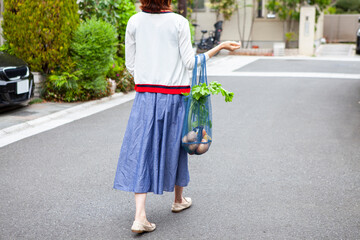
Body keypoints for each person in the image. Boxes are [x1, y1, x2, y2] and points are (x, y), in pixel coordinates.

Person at [113, 0, 241, 233]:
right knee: (178, 145)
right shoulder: (179, 23)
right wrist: (219, 47)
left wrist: (149, 76)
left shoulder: (134, 21)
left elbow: (130, 65)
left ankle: (140, 215)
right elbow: (190, 64)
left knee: (143, 148)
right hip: (173, 97)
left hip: (145, 96)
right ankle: (178, 199)